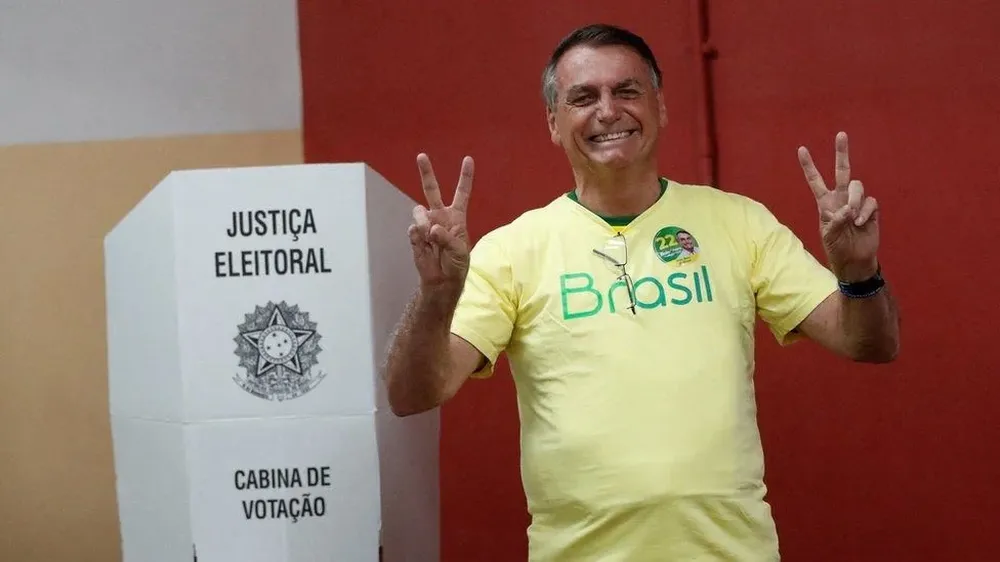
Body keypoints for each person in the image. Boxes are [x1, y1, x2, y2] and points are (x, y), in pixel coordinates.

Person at [382, 23, 900, 562]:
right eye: (583, 97)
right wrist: (438, 293)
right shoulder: (513, 250)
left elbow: (869, 343)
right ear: (554, 124)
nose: (608, 110)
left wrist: (859, 272)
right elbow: (412, 395)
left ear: (660, 107)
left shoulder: (739, 223)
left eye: (627, 91)